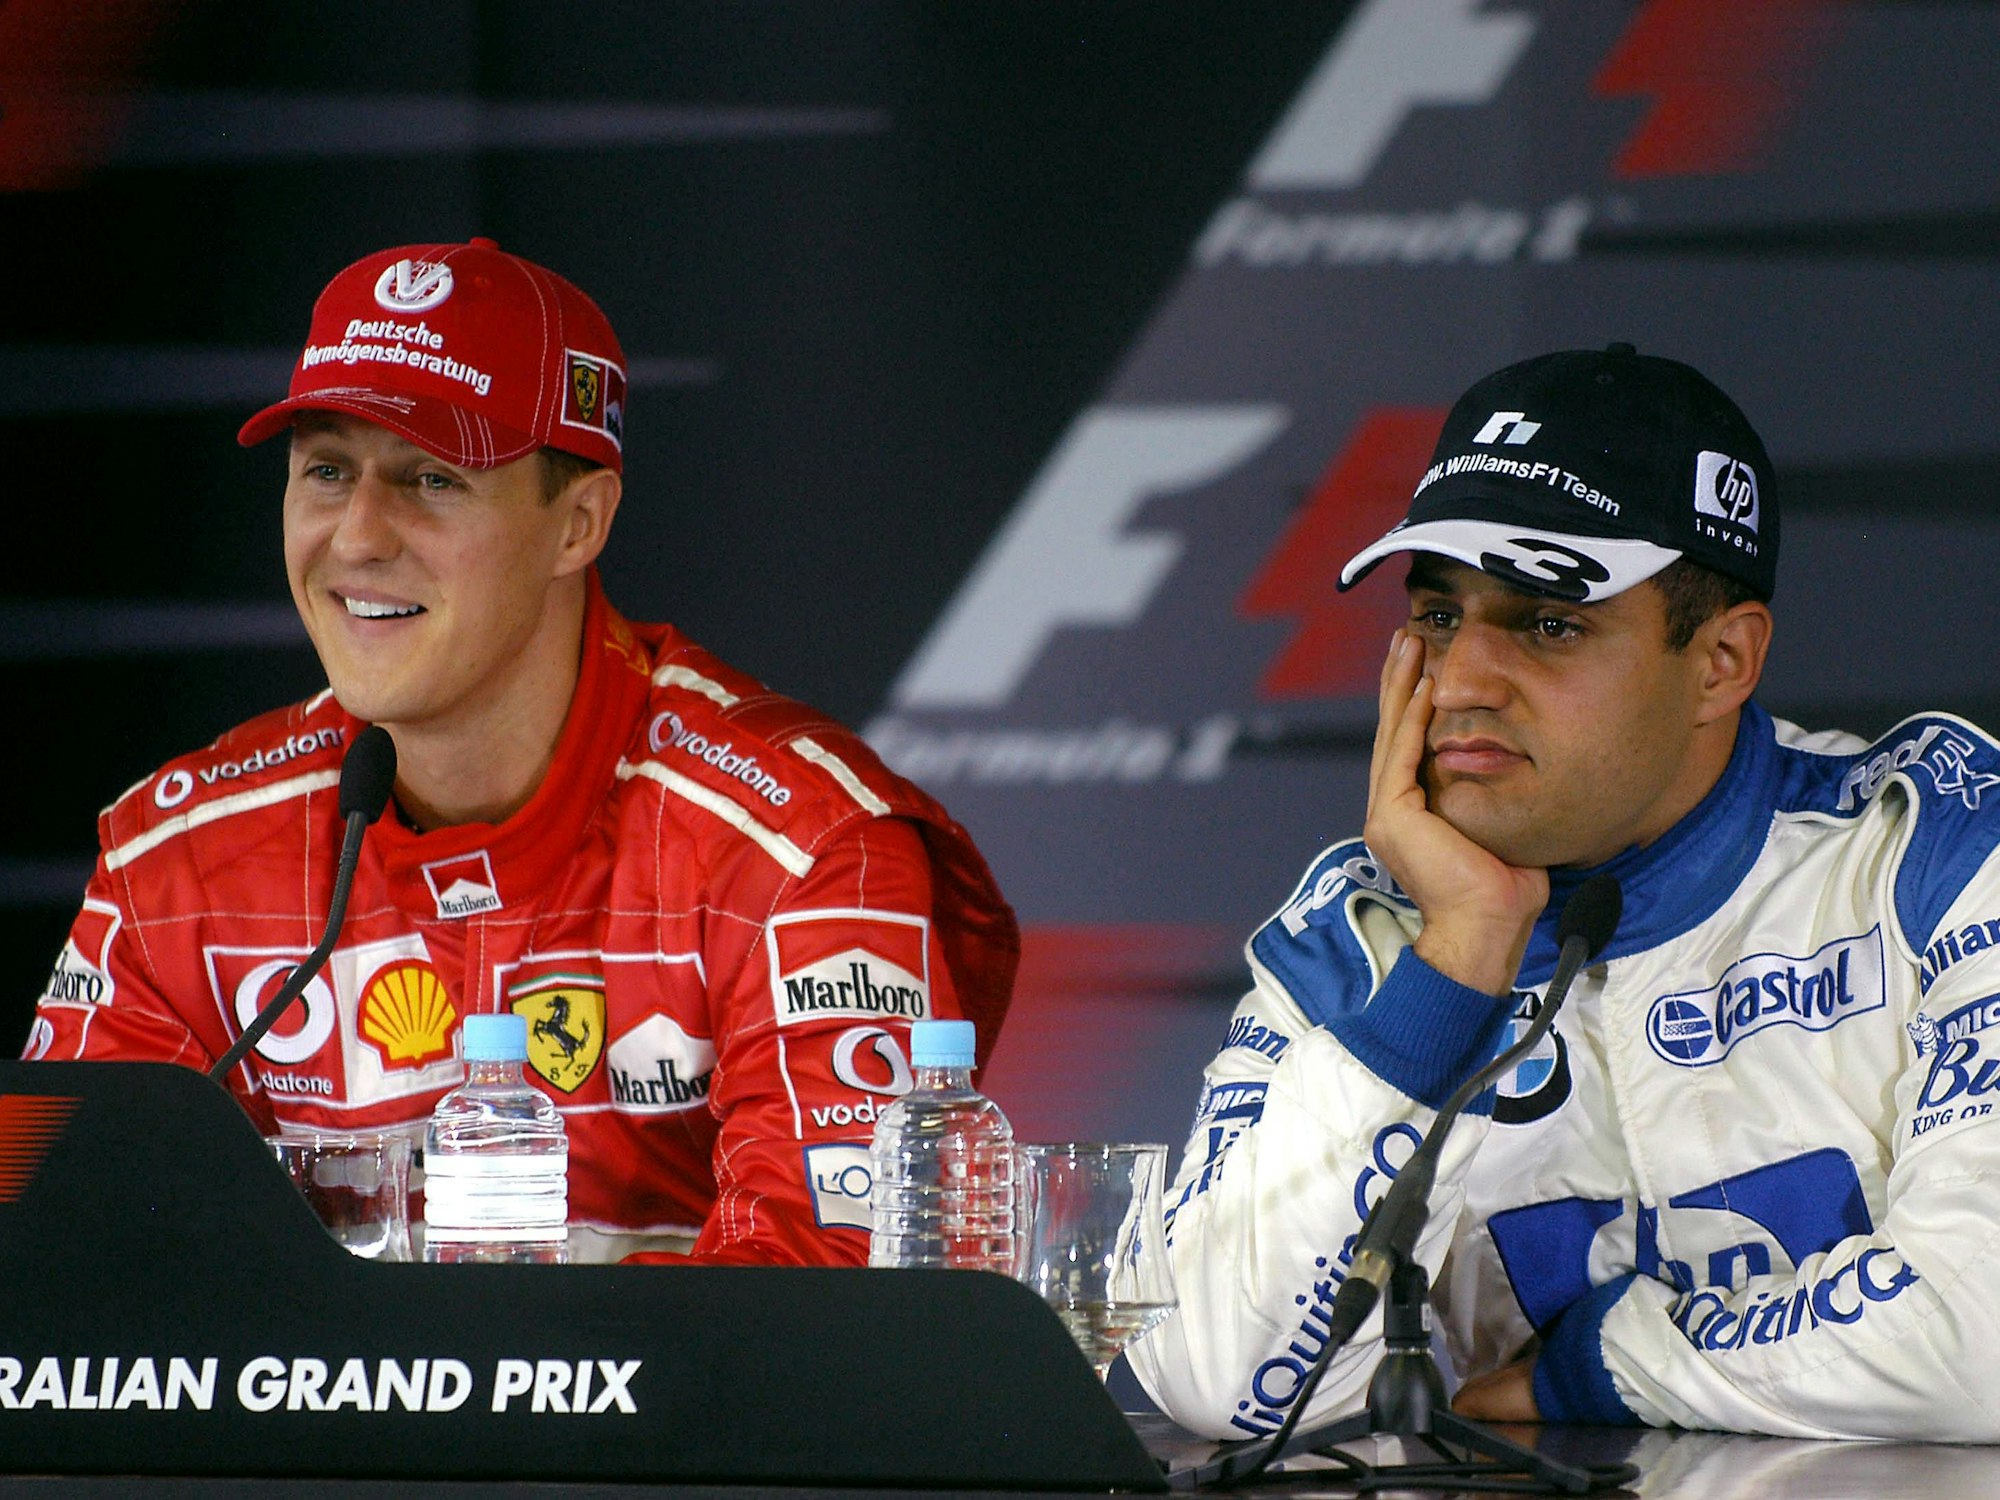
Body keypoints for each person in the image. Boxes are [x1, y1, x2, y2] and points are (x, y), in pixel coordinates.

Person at [24, 238, 1017, 1265]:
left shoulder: (800, 849)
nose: (357, 536)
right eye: (326, 470)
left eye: (431, 480)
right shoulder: (175, 864)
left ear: (578, 523)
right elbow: (59, 1261)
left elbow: (830, 1298)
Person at [1129, 342, 2000, 1440]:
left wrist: (1593, 1370)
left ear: (1722, 662)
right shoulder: (1354, 939)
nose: (1458, 681)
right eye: (1437, 616)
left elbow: (1982, 1333)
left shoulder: (1940, 849)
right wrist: (1457, 957)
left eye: (1549, 624)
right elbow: (1220, 1382)